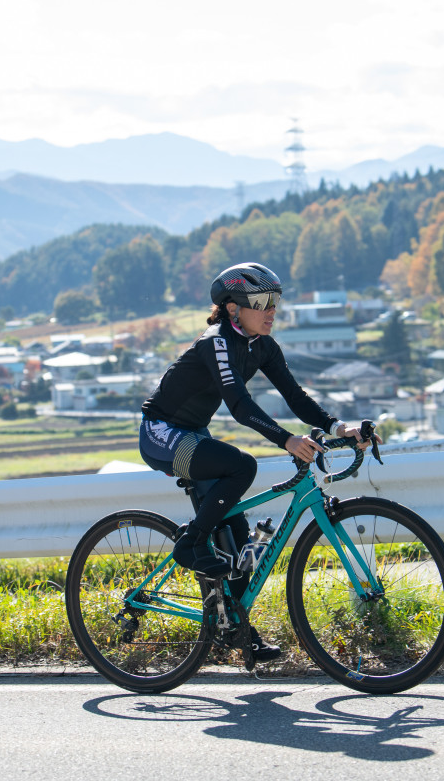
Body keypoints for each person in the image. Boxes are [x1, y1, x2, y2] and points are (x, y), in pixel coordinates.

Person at [140, 262, 376, 662]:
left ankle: (238, 632)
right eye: (262, 302)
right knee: (243, 466)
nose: (271, 311)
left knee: (238, 540)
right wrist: (285, 439)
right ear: (233, 307)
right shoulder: (216, 341)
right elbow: (239, 405)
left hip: (193, 434)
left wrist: (339, 427)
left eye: (276, 302)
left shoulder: (263, 345)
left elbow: (295, 395)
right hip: (161, 433)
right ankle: (189, 544)